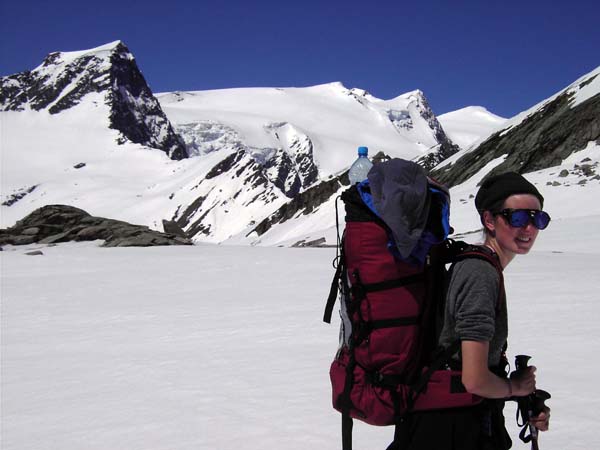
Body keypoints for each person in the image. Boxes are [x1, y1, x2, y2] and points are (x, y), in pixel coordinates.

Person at [404, 172, 551, 450]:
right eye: (517, 218)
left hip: (452, 422)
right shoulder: (480, 273)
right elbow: (473, 378)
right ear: (489, 220)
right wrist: (514, 387)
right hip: (452, 431)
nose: (529, 228)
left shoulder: (481, 266)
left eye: (538, 219)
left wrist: (518, 394)